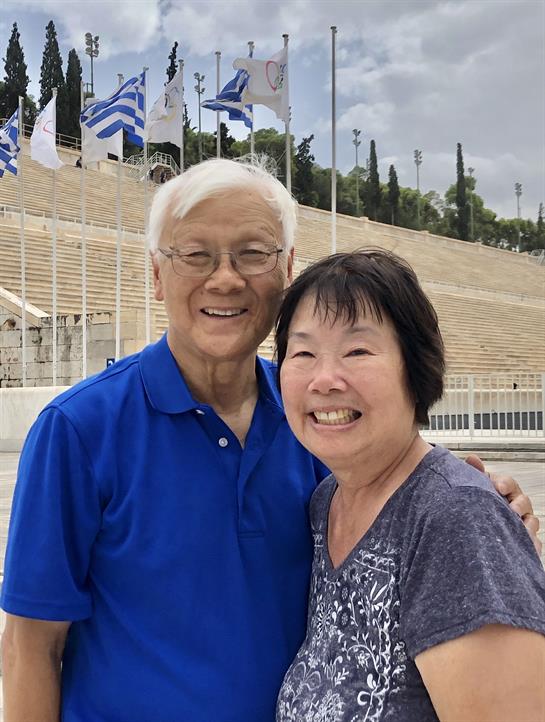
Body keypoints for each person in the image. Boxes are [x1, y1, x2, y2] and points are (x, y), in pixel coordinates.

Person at [0, 160, 539, 722]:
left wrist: (481, 512)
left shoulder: (317, 427)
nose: (225, 278)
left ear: (285, 269)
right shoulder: (79, 429)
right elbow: (30, 644)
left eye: (253, 253)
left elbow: (405, 497)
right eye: (195, 254)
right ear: (157, 274)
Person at [275, 249, 545, 722]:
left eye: (357, 351)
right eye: (302, 353)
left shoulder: (455, 519)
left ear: (414, 369)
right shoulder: (326, 504)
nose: (324, 379)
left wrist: (478, 511)